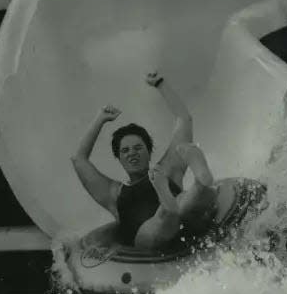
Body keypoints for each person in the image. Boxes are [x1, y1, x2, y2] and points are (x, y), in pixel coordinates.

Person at [71, 70, 218, 250]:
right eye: (125, 150)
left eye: (138, 148)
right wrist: (100, 119)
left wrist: (160, 84)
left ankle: (201, 181)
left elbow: (184, 119)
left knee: (184, 202)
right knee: (160, 220)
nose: (132, 153)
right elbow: (79, 159)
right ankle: (176, 200)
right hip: (147, 240)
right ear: (118, 158)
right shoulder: (113, 192)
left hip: (182, 224)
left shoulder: (165, 169)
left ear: (149, 152)